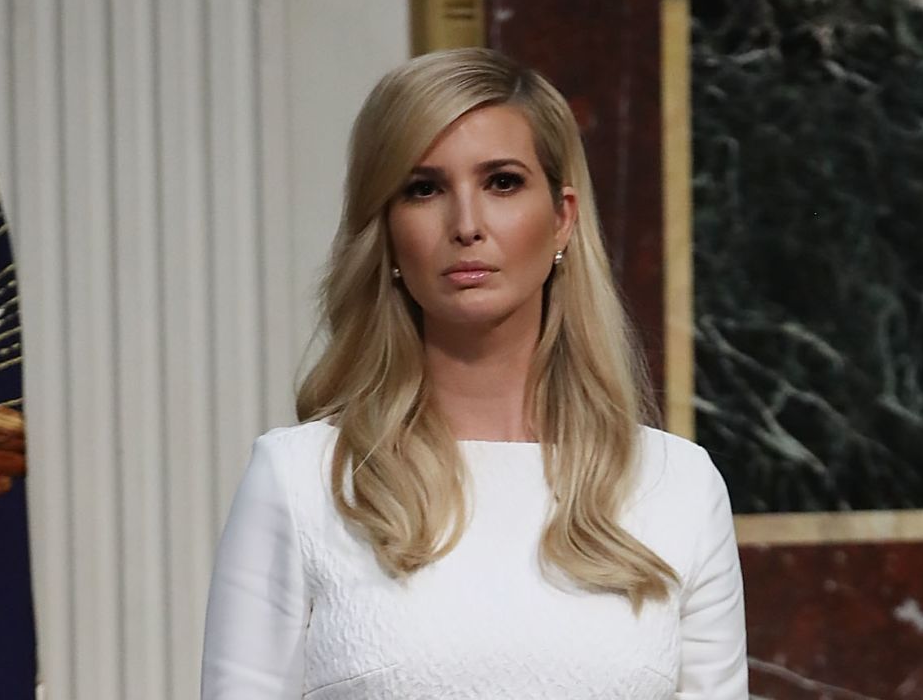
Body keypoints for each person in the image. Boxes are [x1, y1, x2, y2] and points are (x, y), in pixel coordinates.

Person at [201, 47, 747, 699]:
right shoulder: (298, 481)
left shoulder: (678, 486)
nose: (466, 225)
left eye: (503, 183)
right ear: (388, 228)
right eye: (424, 189)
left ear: (563, 218)